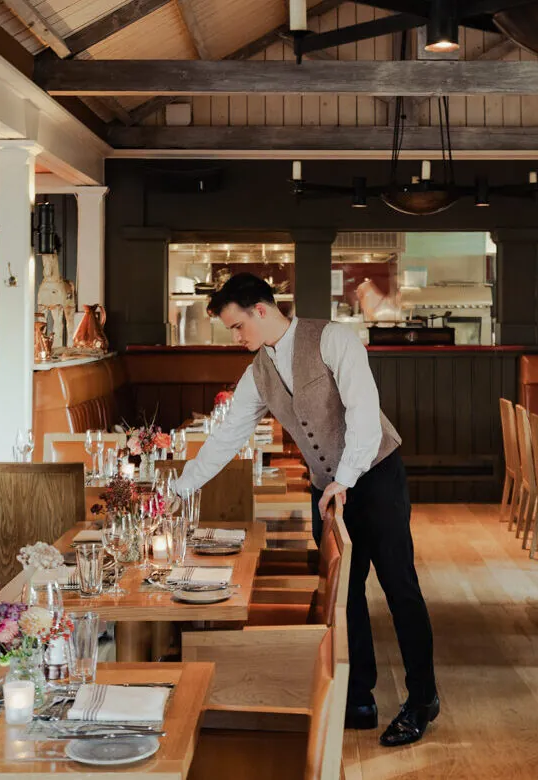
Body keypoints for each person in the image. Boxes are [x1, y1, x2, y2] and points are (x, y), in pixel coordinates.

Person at [170, 273, 439, 747]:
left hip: (374, 476)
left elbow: (363, 411)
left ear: (260, 309)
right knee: (345, 593)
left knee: (400, 587)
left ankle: (422, 699)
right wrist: (182, 487)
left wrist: (346, 477)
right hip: (328, 489)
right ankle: (359, 694)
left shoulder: (333, 338)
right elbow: (228, 434)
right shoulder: (259, 370)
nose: (237, 339)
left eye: (236, 327)